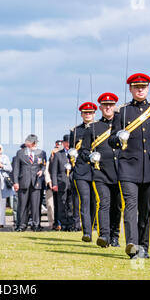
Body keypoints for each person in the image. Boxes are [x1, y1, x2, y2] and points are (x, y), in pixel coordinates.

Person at [109, 73, 150, 259]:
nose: (140, 89)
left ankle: (144, 247)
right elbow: (111, 140)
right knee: (130, 206)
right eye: (136, 87)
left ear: (148, 88)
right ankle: (132, 245)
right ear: (130, 89)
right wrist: (119, 138)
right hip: (127, 166)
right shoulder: (122, 111)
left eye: (143, 86)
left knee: (145, 211)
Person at [80, 93, 122, 248]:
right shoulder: (93, 128)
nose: (108, 107)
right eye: (105, 105)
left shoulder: (123, 125)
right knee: (103, 203)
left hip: (120, 171)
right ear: (100, 107)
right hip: (101, 172)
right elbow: (83, 151)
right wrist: (91, 157)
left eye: (111, 104)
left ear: (115, 106)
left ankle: (115, 236)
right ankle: (104, 235)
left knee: (117, 206)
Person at [69, 102, 97, 242]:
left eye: (90, 113)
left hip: (97, 169)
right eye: (85, 113)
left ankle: (93, 226)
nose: (88, 115)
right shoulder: (75, 131)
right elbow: (72, 151)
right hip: (81, 169)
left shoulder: (99, 128)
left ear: (94, 114)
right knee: (84, 201)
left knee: (95, 202)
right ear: (81, 114)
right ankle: (86, 232)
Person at [13, 134, 46, 232]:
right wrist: (15, 182)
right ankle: (21, 225)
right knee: (22, 205)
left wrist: (42, 171)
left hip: (36, 182)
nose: (35, 144)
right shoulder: (20, 153)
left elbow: (44, 165)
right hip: (23, 182)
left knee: (36, 205)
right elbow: (16, 169)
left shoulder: (41, 153)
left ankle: (36, 225)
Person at [50, 134, 73, 231]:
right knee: (62, 204)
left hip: (72, 183)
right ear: (63, 143)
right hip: (61, 183)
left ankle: (71, 224)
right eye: (66, 142)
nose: (68, 144)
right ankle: (63, 224)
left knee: (71, 204)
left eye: (69, 142)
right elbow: (54, 171)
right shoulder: (58, 155)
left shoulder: (74, 154)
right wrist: (54, 184)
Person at [44, 140, 63, 230]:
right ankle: (52, 223)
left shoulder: (63, 157)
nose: (57, 149)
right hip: (51, 185)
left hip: (60, 184)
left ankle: (60, 223)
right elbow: (47, 171)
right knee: (51, 205)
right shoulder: (50, 159)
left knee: (60, 205)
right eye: (56, 148)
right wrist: (49, 181)